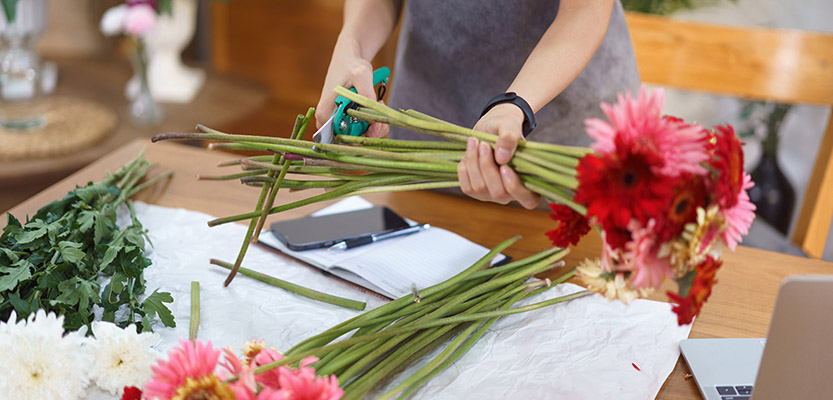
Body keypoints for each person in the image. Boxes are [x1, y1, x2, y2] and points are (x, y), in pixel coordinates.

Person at [315, 0, 640, 210]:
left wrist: (513, 105)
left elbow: (586, 10)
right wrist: (350, 46)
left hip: (558, 148)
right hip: (427, 148)